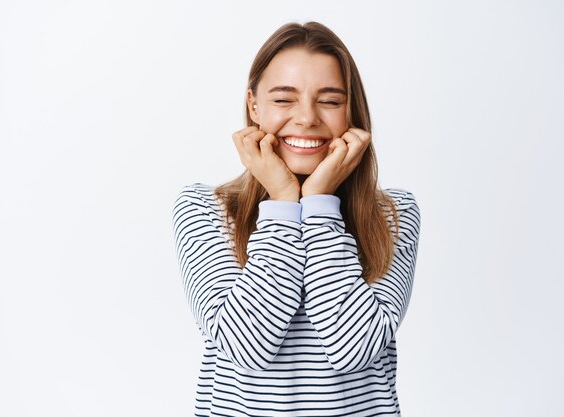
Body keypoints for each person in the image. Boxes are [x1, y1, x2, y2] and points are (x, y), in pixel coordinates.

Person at [172, 21, 421, 417]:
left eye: (330, 100)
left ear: (352, 109)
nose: (306, 118)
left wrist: (319, 204)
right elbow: (245, 347)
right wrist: (284, 202)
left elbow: (353, 348)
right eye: (284, 100)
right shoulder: (204, 208)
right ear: (254, 106)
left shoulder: (393, 214)